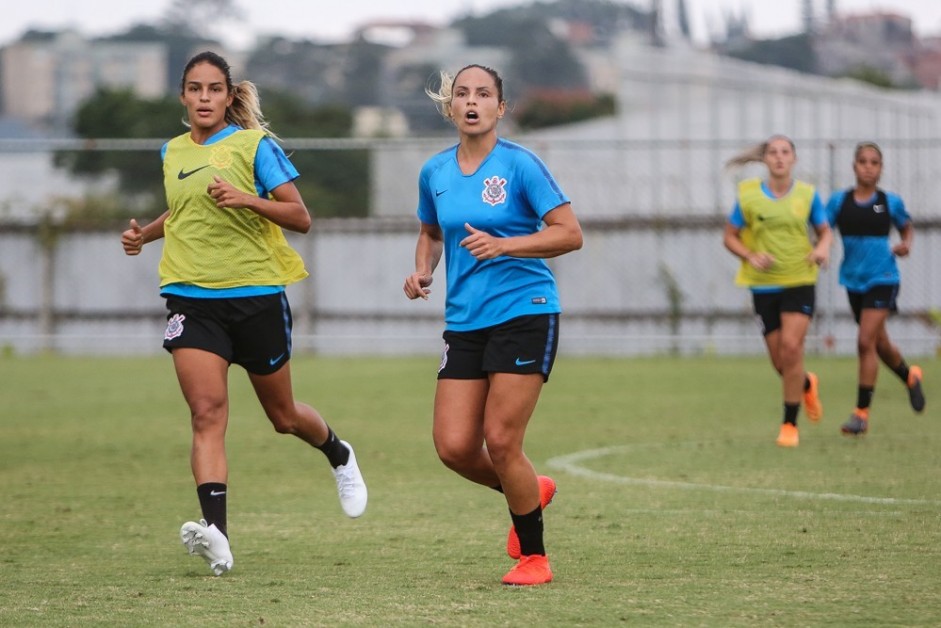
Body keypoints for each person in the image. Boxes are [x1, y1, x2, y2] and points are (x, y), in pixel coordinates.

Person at [120, 51, 367, 576]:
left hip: (255, 298)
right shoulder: (171, 151)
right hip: (191, 298)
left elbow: (300, 217)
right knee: (206, 415)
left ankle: (338, 453)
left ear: (229, 96)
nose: (204, 98)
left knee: (283, 417)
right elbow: (185, 208)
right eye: (194, 88)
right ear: (183, 96)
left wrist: (246, 199)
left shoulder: (255, 147)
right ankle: (219, 537)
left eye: (214, 89)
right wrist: (145, 233)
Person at [402, 64, 583, 586]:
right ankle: (531, 488)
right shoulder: (434, 172)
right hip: (464, 321)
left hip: (525, 311)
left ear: (500, 108)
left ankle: (535, 558)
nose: (472, 101)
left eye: (484, 94)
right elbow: (432, 233)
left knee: (502, 442)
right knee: (454, 448)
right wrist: (421, 270)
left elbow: (569, 234)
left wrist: (506, 244)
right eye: (463, 94)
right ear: (451, 107)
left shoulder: (521, 165)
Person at [722, 134, 832, 447]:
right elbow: (730, 236)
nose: (779, 157)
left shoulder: (808, 195)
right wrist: (750, 255)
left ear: (794, 159)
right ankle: (807, 383)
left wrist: (822, 249)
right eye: (773, 152)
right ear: (765, 160)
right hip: (763, 284)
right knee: (780, 362)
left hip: (799, 279)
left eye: (785, 152)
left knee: (792, 348)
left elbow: (825, 232)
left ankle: (789, 426)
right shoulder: (748, 195)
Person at [826, 141, 926, 436]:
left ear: (881, 168)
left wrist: (906, 243)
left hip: (883, 278)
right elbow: (822, 228)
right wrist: (821, 245)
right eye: (863, 161)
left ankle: (861, 414)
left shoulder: (890, 202)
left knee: (864, 341)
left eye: (874, 162)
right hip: (853, 280)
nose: (868, 167)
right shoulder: (838, 202)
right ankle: (910, 377)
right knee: (879, 344)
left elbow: (906, 226)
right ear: (854, 166)